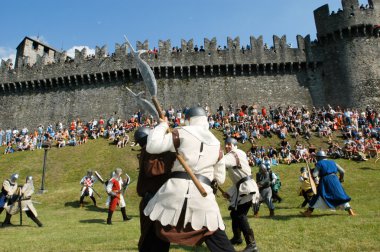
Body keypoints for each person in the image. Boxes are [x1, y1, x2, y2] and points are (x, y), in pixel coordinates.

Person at [144, 107, 234, 252]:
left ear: (188, 119)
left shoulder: (180, 132)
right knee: (215, 235)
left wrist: (162, 125)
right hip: (203, 195)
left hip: (173, 192)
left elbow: (152, 145)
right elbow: (220, 178)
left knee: (157, 231)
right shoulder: (217, 144)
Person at [135, 127, 176, 252]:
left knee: (159, 238)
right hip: (153, 200)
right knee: (153, 238)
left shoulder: (148, 150)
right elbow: (153, 169)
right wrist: (172, 154)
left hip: (157, 199)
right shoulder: (149, 151)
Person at [223, 137, 259, 252]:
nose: (227, 146)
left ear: (234, 145)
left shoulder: (234, 153)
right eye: (226, 144)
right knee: (234, 213)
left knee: (241, 215)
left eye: (229, 144)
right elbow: (238, 180)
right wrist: (229, 192)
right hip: (243, 186)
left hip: (247, 188)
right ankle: (237, 238)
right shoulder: (237, 153)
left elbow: (220, 162)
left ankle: (252, 244)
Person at [301, 150, 355, 217]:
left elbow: (315, 174)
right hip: (335, 180)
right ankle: (351, 212)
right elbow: (342, 171)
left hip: (325, 181)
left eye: (317, 157)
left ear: (319, 157)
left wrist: (315, 179)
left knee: (317, 196)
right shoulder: (332, 162)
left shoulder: (319, 163)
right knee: (340, 195)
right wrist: (341, 179)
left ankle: (308, 212)